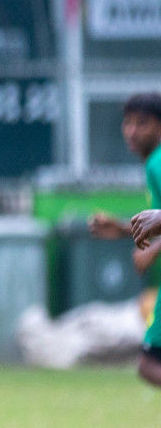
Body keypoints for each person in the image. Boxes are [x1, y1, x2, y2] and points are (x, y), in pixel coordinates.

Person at [90, 92, 161, 386]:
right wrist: (123, 229)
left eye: (142, 123)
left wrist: (152, 251)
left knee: (148, 364)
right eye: (127, 123)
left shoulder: (157, 163)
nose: (131, 131)